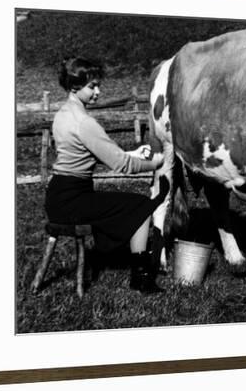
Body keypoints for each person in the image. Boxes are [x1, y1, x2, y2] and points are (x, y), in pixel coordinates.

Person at [45, 56, 169, 294]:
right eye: (92, 86)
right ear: (74, 86)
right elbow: (122, 165)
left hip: (59, 195)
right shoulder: (84, 122)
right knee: (141, 205)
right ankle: (141, 276)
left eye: (98, 85)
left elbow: (87, 153)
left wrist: (131, 152)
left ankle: (134, 267)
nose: (98, 92)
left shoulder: (63, 114)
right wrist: (156, 162)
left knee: (126, 205)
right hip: (73, 200)